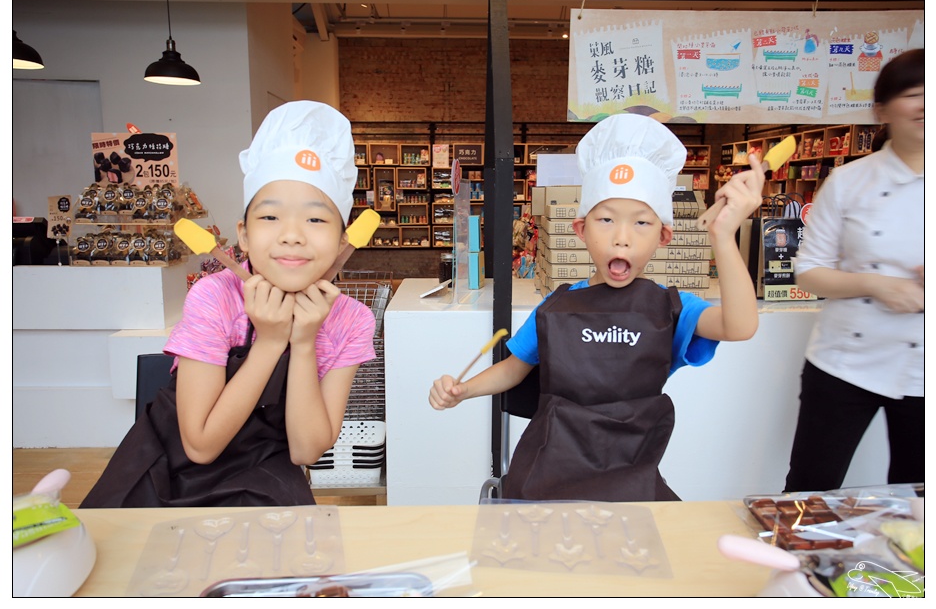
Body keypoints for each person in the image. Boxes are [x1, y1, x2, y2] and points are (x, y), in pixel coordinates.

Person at [428, 114, 765, 502]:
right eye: (605, 220)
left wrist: (723, 236)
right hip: (546, 473)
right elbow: (513, 368)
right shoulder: (555, 307)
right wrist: (463, 389)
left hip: (629, 476)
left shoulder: (671, 308)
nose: (622, 239)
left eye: (641, 223)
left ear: (664, 236)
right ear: (580, 229)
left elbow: (740, 326)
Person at [82, 102, 376, 507]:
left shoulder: (351, 320)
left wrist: (304, 342)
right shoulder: (215, 297)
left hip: (265, 477)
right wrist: (272, 342)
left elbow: (306, 452)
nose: (292, 235)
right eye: (270, 218)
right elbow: (200, 446)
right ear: (243, 234)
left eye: (316, 219)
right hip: (165, 475)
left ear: (344, 240)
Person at [783, 49, 924, 493]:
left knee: (919, 499)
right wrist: (876, 285)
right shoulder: (848, 181)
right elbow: (808, 272)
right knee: (810, 488)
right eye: (914, 95)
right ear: (881, 109)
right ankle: (798, 562)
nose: (926, 106)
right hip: (845, 363)